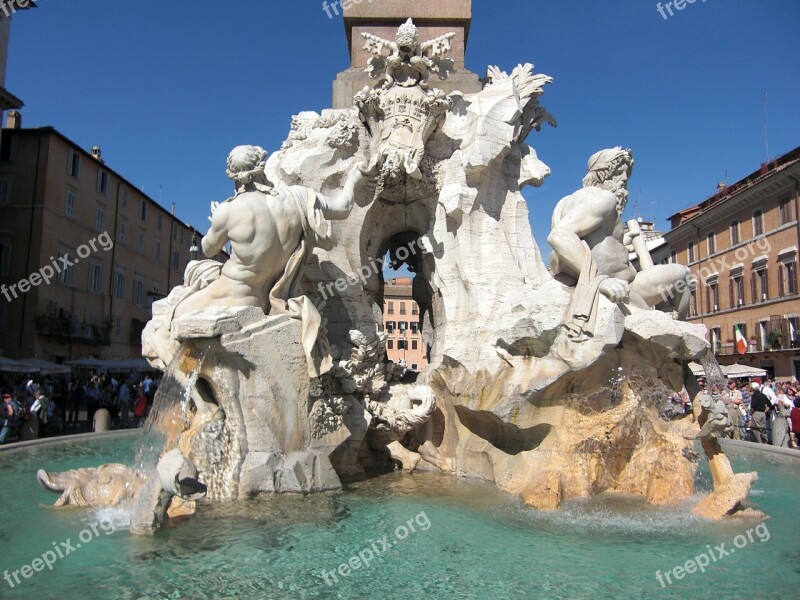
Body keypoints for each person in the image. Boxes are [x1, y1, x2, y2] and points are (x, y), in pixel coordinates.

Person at [548, 147, 693, 341]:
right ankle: (677, 339)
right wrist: (600, 281)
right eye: (619, 172)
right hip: (621, 285)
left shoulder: (566, 201)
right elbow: (559, 236)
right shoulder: (604, 198)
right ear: (603, 172)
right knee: (684, 275)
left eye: (626, 172)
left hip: (613, 282)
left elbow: (594, 243)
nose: (624, 178)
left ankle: (668, 322)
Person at [749, 380, 773, 444]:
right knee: (763, 428)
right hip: (763, 413)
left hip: (756, 413)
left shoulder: (754, 396)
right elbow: (769, 404)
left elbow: (753, 406)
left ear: (752, 388)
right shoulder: (763, 395)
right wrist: (765, 411)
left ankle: (760, 442)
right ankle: (765, 441)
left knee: (756, 429)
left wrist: (751, 413)